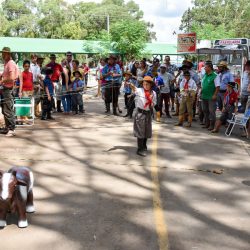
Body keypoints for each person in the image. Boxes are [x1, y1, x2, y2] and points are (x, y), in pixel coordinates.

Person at [130, 76, 157, 157]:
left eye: (147, 84)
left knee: (146, 131)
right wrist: (130, 85)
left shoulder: (153, 93)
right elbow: (134, 88)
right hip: (140, 113)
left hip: (148, 113)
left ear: (151, 85)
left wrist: (151, 101)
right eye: (144, 84)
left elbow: (154, 104)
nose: (145, 86)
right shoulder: (139, 90)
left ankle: (144, 146)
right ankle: (140, 148)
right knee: (140, 131)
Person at [0, 47, 19, 136]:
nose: (2, 55)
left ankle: (12, 128)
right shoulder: (6, 63)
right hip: (4, 89)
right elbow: (6, 75)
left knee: (8, 110)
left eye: (4, 53)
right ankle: (7, 127)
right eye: (2, 53)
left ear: (8, 54)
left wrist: (2, 81)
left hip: (8, 89)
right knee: (4, 110)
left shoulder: (11, 63)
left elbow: (12, 77)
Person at [201, 61, 220, 131]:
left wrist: (215, 95)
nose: (204, 68)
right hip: (204, 96)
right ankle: (207, 123)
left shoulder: (215, 75)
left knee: (211, 111)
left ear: (209, 67)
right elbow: (203, 85)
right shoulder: (205, 75)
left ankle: (212, 125)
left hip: (211, 97)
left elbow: (218, 87)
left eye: (205, 67)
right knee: (205, 110)